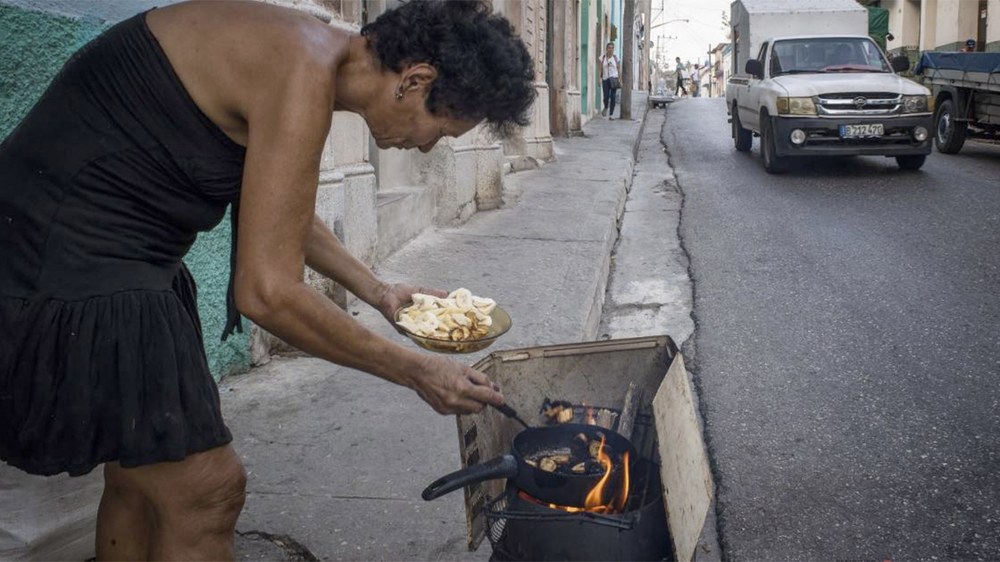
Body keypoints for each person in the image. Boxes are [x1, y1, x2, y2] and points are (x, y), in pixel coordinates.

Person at [0, 1, 535, 559]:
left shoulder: (306, 52)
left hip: (102, 257)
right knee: (208, 491)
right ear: (415, 81)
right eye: (440, 130)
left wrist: (379, 292)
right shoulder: (300, 68)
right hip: (57, 261)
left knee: (141, 477)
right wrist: (417, 370)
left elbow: (282, 210)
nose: (426, 146)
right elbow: (266, 293)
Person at [599, 42, 621, 118]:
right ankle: (606, 107)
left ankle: (611, 114)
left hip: (614, 78)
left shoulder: (616, 58)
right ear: (606, 49)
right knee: (606, 96)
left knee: (613, 97)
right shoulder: (602, 57)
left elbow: (619, 68)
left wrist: (620, 79)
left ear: (613, 49)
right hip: (605, 79)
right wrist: (599, 78)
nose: (610, 49)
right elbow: (600, 69)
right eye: (609, 48)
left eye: (612, 48)